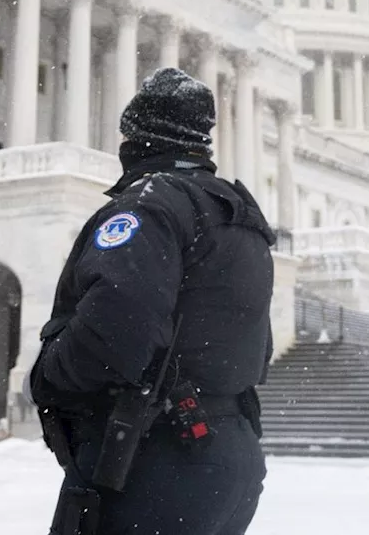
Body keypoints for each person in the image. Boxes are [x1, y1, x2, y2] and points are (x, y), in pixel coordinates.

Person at [29, 67, 275, 535]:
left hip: (153, 450)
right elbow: (256, 345)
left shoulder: (151, 203)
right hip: (227, 449)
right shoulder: (240, 215)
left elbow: (115, 329)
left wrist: (48, 377)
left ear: (136, 137)